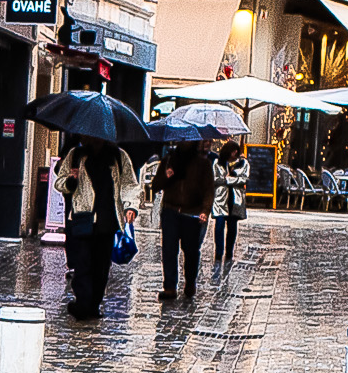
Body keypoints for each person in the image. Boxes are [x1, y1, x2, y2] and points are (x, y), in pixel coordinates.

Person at [52, 133, 140, 321]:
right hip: (82, 218)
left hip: (107, 221)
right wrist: (71, 180)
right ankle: (83, 303)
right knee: (82, 263)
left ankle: (93, 304)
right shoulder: (76, 154)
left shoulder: (118, 156)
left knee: (101, 267)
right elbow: (59, 183)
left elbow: (129, 184)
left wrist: (130, 206)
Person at [155, 136, 216, 301]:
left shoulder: (203, 163)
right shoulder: (169, 160)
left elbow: (209, 190)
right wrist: (167, 176)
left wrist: (205, 210)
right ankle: (169, 287)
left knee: (190, 251)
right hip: (170, 210)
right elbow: (156, 185)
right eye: (182, 140)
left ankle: (190, 281)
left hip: (192, 212)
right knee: (169, 249)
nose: (185, 143)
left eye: (188, 140)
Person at [210, 141, 249, 266]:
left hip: (235, 199)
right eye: (233, 152)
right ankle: (219, 252)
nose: (234, 155)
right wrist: (228, 180)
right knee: (219, 224)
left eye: (236, 153)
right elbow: (215, 179)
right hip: (221, 198)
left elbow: (244, 178)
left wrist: (228, 179)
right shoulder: (218, 163)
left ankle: (229, 253)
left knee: (232, 227)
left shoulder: (243, 163)